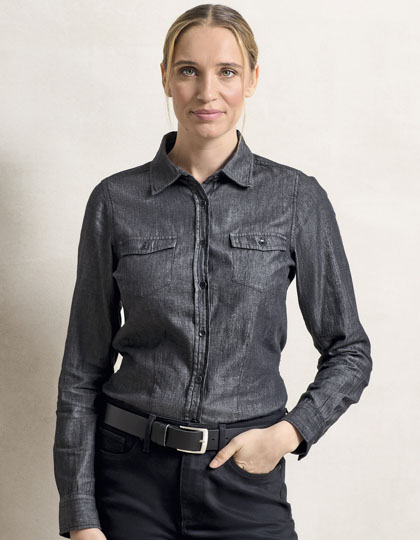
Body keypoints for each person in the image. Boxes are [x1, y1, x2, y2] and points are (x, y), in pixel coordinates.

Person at [53, 4, 373, 540]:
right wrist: (80, 515)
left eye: (227, 71)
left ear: (252, 79)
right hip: (129, 481)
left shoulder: (296, 199)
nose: (207, 92)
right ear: (165, 78)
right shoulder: (114, 201)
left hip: (244, 480)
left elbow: (349, 350)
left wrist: (289, 433)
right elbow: (82, 369)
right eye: (188, 70)